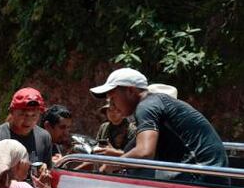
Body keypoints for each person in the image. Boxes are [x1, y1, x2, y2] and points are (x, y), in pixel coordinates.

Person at [90, 68, 227, 169]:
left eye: (113, 98)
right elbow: (133, 151)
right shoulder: (153, 105)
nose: (112, 105)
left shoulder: (146, 107)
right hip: (208, 171)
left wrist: (112, 166)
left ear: (131, 91)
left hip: (202, 173)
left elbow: (144, 153)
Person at [0, 88, 54, 171]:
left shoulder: (44, 137)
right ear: (12, 112)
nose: (28, 121)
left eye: (34, 115)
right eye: (23, 114)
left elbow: (47, 170)